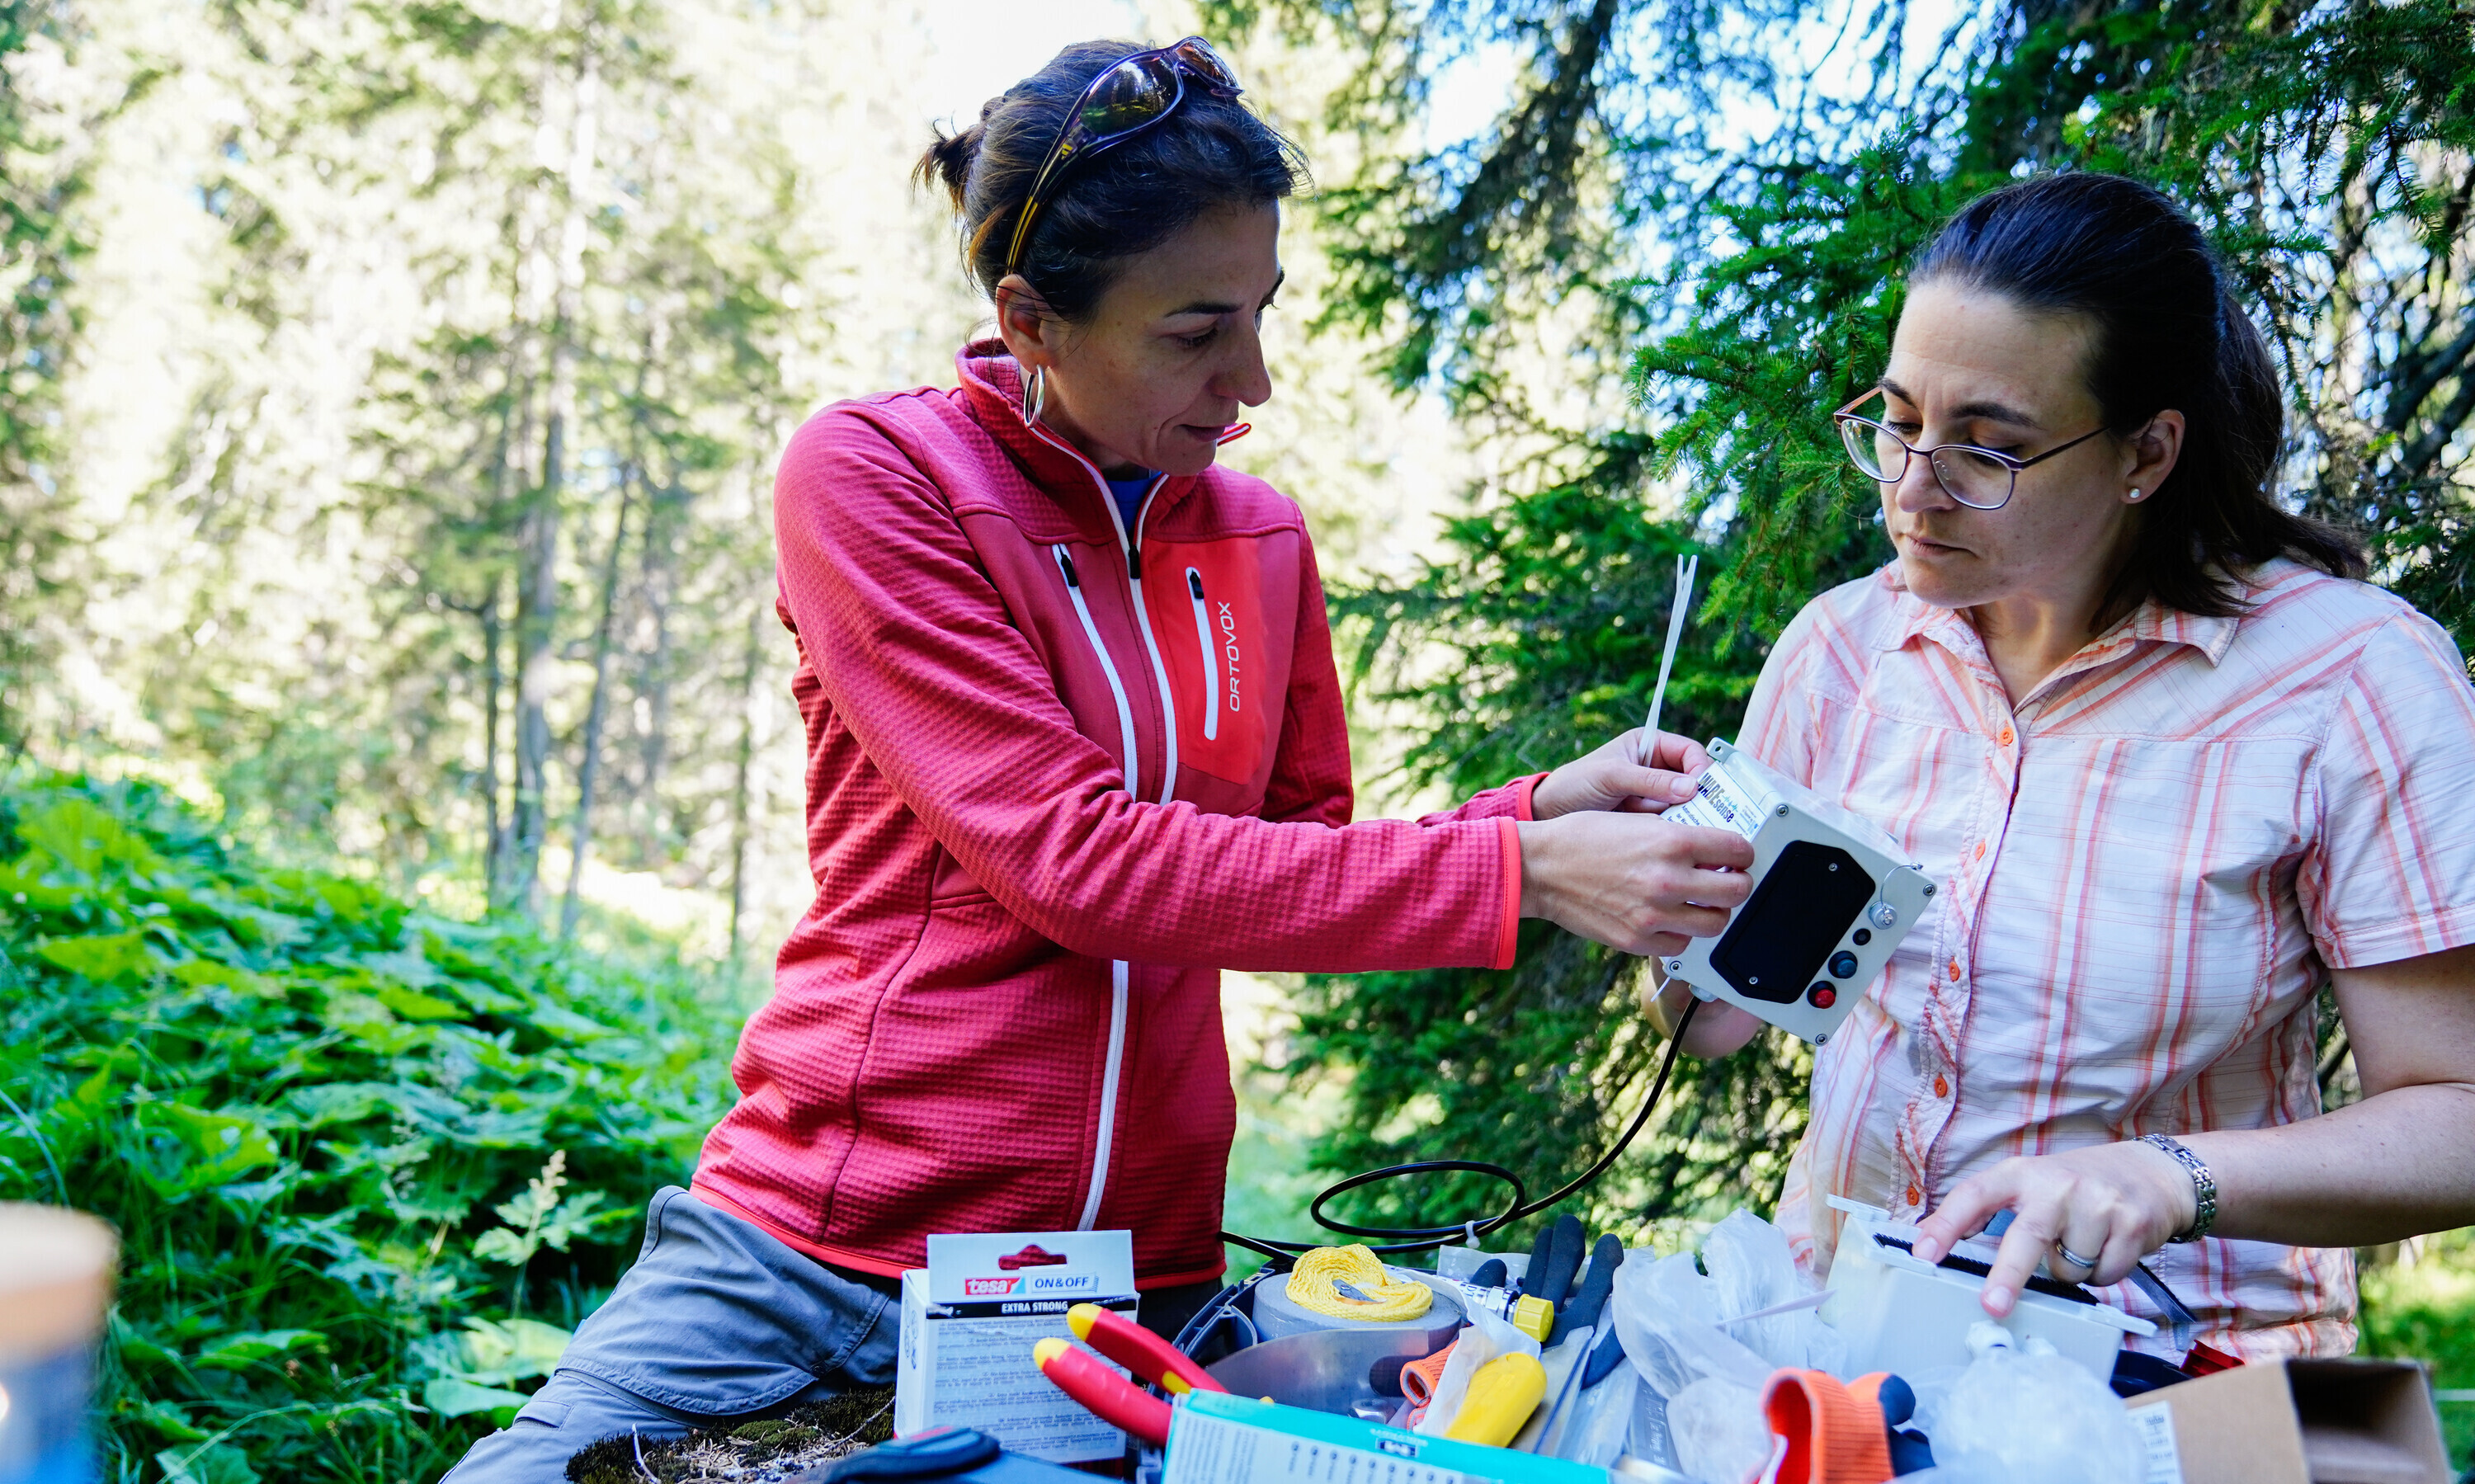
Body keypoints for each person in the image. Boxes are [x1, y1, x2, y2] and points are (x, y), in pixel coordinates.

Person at [442, 37, 1756, 1479]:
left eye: (1261, 314)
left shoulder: (1258, 535)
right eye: (1196, 333)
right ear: (1032, 319)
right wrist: (1523, 869)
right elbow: (1073, 861)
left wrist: (1533, 811)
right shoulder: (876, 479)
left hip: (1120, 1286)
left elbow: (1291, 865)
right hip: (817, 1255)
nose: (1250, 379)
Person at [1647, 172, 2475, 1361]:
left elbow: (2459, 1116)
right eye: (1896, 418)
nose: (1912, 486)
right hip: (1841, 1350)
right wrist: (1663, 904)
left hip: (2170, 1375)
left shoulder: (2351, 681)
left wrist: (2168, 1179)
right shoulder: (1843, 649)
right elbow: (1715, 1024)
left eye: (1988, 448)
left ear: (2148, 452)